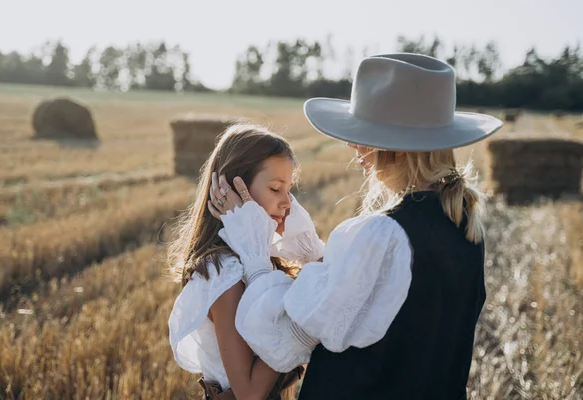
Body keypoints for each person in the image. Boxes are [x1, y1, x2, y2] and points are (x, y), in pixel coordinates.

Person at [208, 53, 503, 399]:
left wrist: (255, 254)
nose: (352, 144)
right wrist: (308, 250)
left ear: (394, 148)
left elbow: (283, 340)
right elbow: (366, 300)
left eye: (362, 134)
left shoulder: (384, 235)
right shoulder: (465, 225)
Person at [167, 123, 324, 400]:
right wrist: (297, 327)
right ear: (233, 189)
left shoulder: (259, 259)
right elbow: (249, 392)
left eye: (289, 190)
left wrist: (310, 251)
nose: (288, 202)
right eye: (276, 189)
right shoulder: (225, 272)